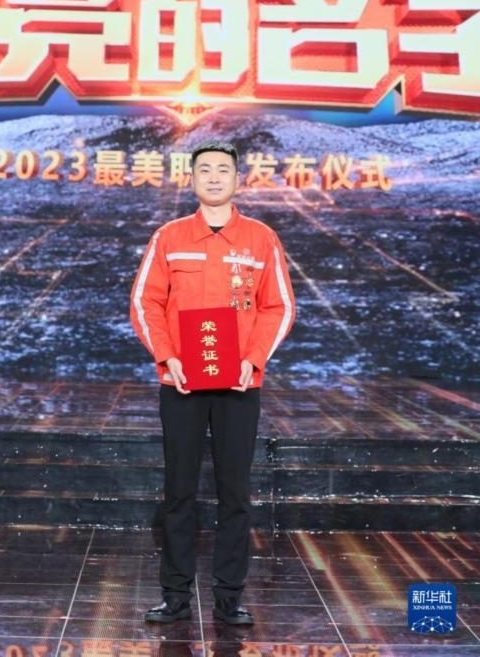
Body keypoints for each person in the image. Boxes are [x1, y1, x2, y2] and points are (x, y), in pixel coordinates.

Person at [130, 139, 295, 625]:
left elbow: (279, 306)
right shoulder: (169, 236)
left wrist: (253, 359)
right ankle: (175, 595)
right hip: (181, 382)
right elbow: (145, 302)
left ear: (238, 179)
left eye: (224, 169)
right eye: (205, 169)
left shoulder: (261, 239)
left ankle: (229, 596)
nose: (215, 177)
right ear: (192, 179)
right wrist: (167, 355)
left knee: (235, 493)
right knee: (178, 491)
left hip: (239, 385)